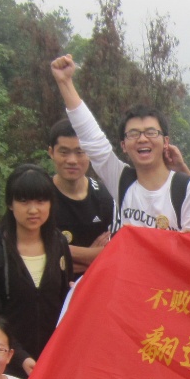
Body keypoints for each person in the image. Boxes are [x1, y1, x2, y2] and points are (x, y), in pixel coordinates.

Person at [49, 54, 190, 233]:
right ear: (124, 145)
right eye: (133, 134)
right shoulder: (121, 180)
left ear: (166, 142)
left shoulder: (186, 189)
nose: (142, 139)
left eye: (151, 132)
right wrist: (65, 82)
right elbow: (91, 137)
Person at [0, 164, 73, 379]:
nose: (33, 210)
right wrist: (19, 356)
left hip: (52, 361)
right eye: (24, 201)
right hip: (8, 364)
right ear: (10, 203)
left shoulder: (58, 243)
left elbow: (64, 301)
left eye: (41, 201)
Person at [45, 118, 113, 278]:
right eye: (64, 152)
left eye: (80, 152)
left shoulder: (104, 197)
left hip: (95, 286)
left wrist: (62, 255)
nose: (72, 160)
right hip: (52, 289)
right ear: (51, 153)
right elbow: (35, 253)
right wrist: (91, 256)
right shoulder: (41, 196)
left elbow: (114, 254)